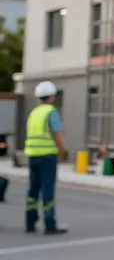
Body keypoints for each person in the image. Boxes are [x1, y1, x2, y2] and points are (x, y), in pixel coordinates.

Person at [24, 80, 69, 235]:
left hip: (32, 156)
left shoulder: (33, 113)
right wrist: (64, 150)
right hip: (47, 156)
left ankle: (30, 222)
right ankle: (50, 223)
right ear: (51, 97)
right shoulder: (51, 112)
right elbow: (57, 133)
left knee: (33, 190)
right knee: (47, 189)